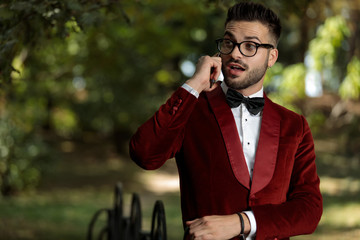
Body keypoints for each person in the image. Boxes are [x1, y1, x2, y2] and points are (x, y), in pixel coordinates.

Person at [129, 2, 323, 240]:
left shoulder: (295, 126)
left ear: (271, 57)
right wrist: (194, 85)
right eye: (229, 42)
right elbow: (144, 154)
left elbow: (309, 209)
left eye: (250, 46)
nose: (235, 53)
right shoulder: (191, 109)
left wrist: (242, 222)